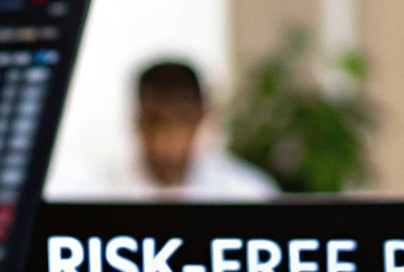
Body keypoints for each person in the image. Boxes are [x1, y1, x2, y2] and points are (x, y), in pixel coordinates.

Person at [54, 60, 279, 200]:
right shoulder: (89, 194)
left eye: (181, 120)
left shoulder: (248, 194)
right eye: (156, 121)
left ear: (201, 118)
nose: (166, 139)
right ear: (138, 121)